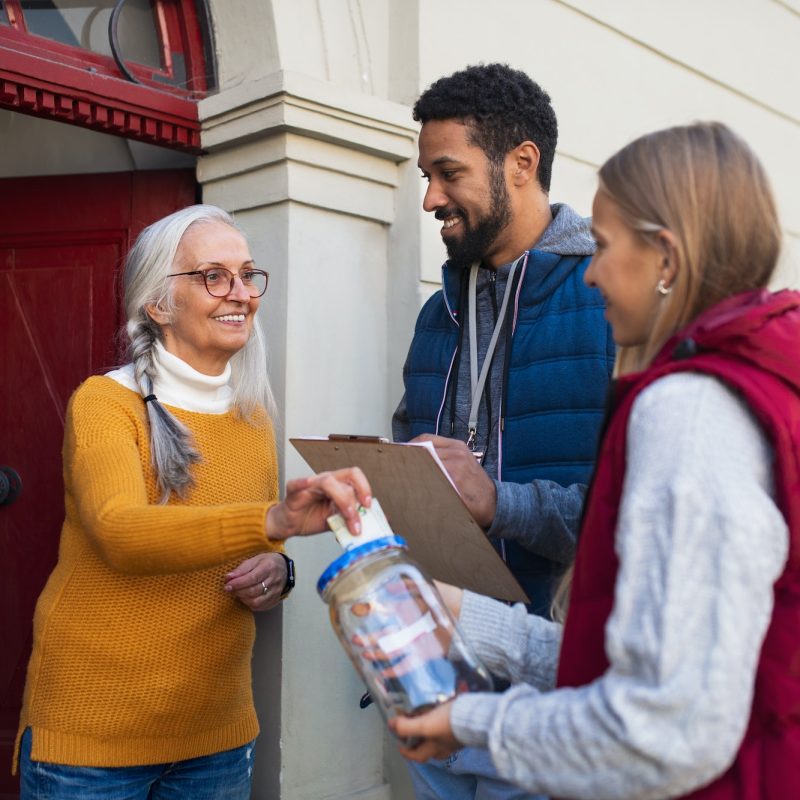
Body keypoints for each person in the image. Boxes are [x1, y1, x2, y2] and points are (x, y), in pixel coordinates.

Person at [391, 122, 800, 799]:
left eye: (605, 247)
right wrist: (465, 612)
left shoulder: (689, 410)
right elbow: (641, 668)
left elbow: (660, 728)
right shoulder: (748, 382)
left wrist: (472, 723)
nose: (590, 270)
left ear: (666, 257)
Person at [13, 205, 370, 799]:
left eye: (247, 275)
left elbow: (251, 544)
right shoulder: (105, 403)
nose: (240, 293)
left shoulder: (252, 414)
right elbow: (121, 532)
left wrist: (278, 570)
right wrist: (274, 520)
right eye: (213, 276)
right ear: (158, 304)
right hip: (94, 732)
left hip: (216, 734)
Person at [392, 63, 614, 798]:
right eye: (427, 175)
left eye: (446, 173)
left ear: (522, 163)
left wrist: (499, 504)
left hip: (554, 702)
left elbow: (631, 525)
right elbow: (411, 463)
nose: (430, 198)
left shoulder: (611, 307)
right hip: (434, 679)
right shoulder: (437, 314)